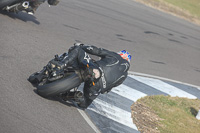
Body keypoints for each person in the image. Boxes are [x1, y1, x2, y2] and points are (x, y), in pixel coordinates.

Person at [53, 43, 132, 109]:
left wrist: (83, 47)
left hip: (94, 69)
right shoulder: (124, 75)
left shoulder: (115, 56)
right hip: (97, 86)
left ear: (120, 54)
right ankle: (76, 96)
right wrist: (100, 89)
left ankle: (61, 65)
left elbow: (97, 51)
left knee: (78, 49)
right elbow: (108, 90)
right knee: (85, 104)